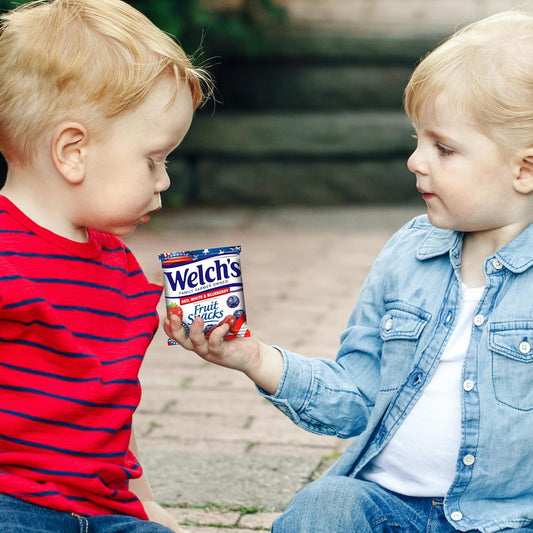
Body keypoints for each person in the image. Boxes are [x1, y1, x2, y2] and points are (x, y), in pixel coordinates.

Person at [165, 10, 533, 533]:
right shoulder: (410, 255)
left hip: (505, 520)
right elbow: (357, 397)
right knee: (327, 503)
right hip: (388, 507)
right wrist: (252, 358)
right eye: (418, 140)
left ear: (524, 169)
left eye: (444, 148)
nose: (416, 161)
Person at [0, 0, 210, 531]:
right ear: (73, 151)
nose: (164, 180)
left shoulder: (121, 269)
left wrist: (148, 502)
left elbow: (112, 406)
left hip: (105, 511)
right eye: (153, 160)